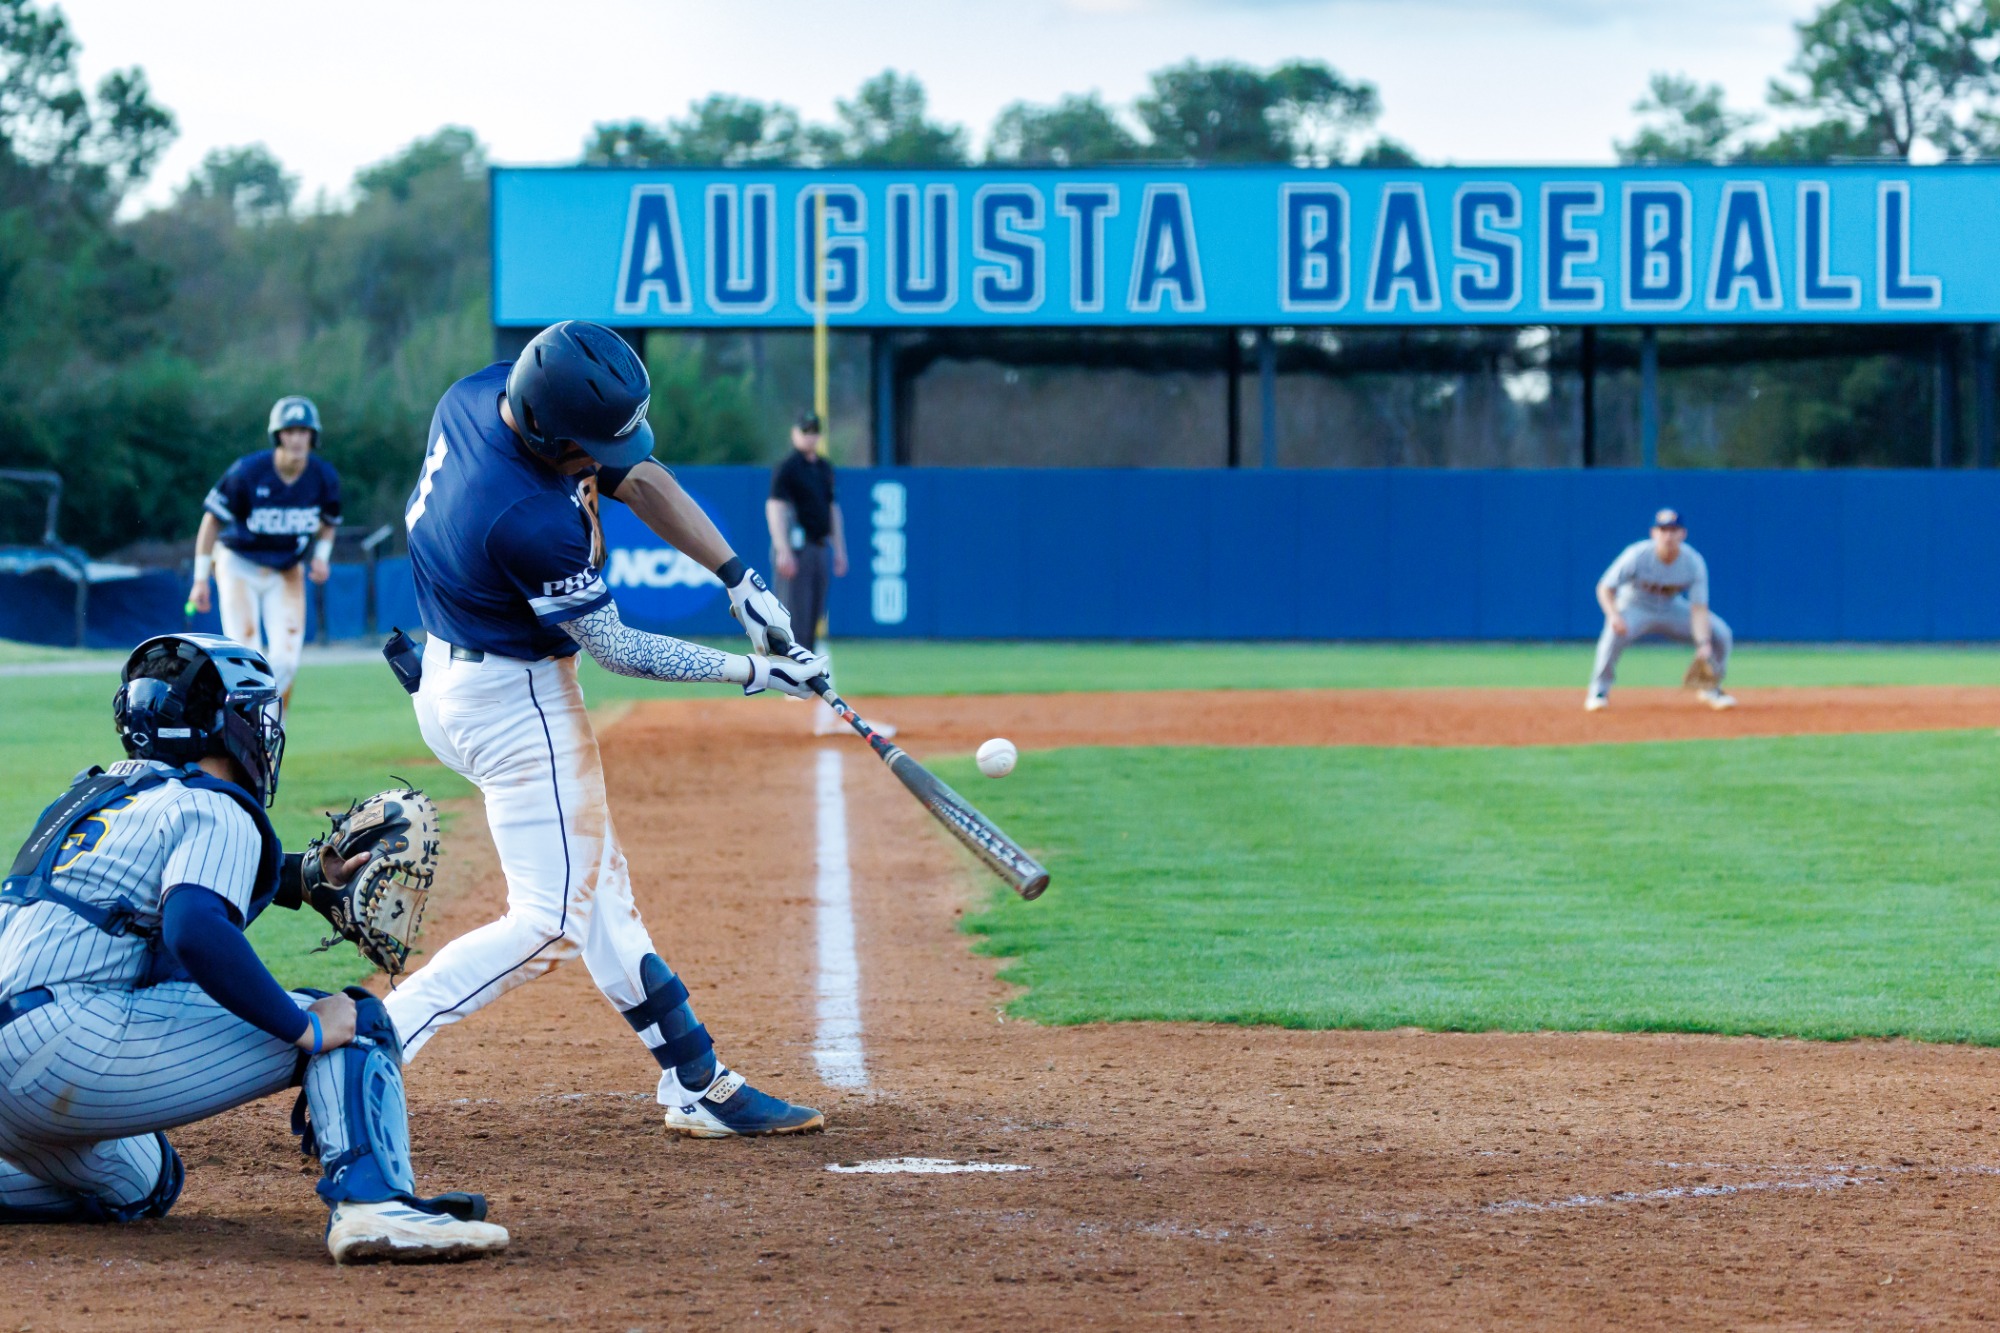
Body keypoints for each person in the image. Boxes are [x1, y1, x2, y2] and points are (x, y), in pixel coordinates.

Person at [391, 320, 829, 1138]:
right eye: (591, 445)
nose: (607, 457)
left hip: (453, 676)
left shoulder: (485, 393)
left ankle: (694, 1077)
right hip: (513, 703)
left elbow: (636, 473)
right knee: (554, 918)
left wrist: (739, 581)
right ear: (555, 434)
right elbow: (620, 648)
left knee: (597, 891)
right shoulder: (521, 514)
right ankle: (378, 1042)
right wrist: (758, 672)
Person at [0, 634, 508, 1263]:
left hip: (17, 1062)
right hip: (68, 1044)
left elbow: (147, 902)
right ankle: (378, 1206)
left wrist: (306, 876)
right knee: (355, 1021)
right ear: (227, 727)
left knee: (144, 1180)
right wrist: (302, 1028)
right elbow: (192, 927)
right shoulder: (216, 806)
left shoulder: (91, 797)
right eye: (255, 713)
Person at [188, 396, 341, 710]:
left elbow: (328, 523)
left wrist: (322, 556)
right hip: (239, 563)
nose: (297, 438)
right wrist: (201, 579)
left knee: (286, 660)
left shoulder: (323, 477)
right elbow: (212, 521)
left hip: (286, 569)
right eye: (290, 431)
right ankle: (242, 730)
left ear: (313, 436)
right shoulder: (249, 471)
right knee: (247, 655)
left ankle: (270, 734)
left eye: (304, 431)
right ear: (278, 435)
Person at [764, 409, 890, 737]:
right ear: (795, 433)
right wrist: (783, 549)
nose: (810, 436)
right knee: (795, 616)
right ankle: (791, 681)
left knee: (815, 614)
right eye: (805, 430)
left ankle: (802, 681)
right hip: (798, 548)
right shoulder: (788, 468)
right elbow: (775, 507)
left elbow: (832, 509)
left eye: (814, 431)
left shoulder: (824, 468)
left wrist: (840, 549)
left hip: (820, 548)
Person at [1587, 508, 1736, 712]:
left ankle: (1710, 689)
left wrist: (1703, 643)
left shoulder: (1693, 562)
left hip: (1671, 608)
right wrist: (1613, 615)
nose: (1668, 535)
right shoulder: (1637, 555)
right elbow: (1604, 587)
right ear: (1653, 533)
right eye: (1663, 530)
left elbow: (1699, 609)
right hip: (1634, 606)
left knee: (1720, 633)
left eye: (1673, 530)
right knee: (1612, 633)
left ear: (1683, 534)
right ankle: (1599, 691)